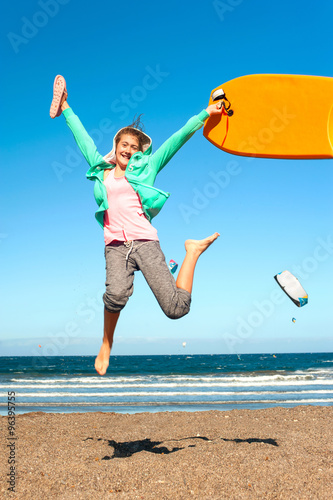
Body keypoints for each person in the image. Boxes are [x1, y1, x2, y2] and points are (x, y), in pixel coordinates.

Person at [50, 75, 222, 376]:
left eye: (134, 147)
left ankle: (192, 251)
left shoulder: (148, 167)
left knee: (176, 309)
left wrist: (205, 115)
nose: (129, 149)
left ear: (140, 152)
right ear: (115, 146)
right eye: (124, 144)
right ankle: (106, 343)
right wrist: (65, 107)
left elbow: (176, 139)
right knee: (115, 295)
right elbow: (83, 139)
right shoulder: (101, 171)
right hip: (115, 246)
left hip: (145, 243)